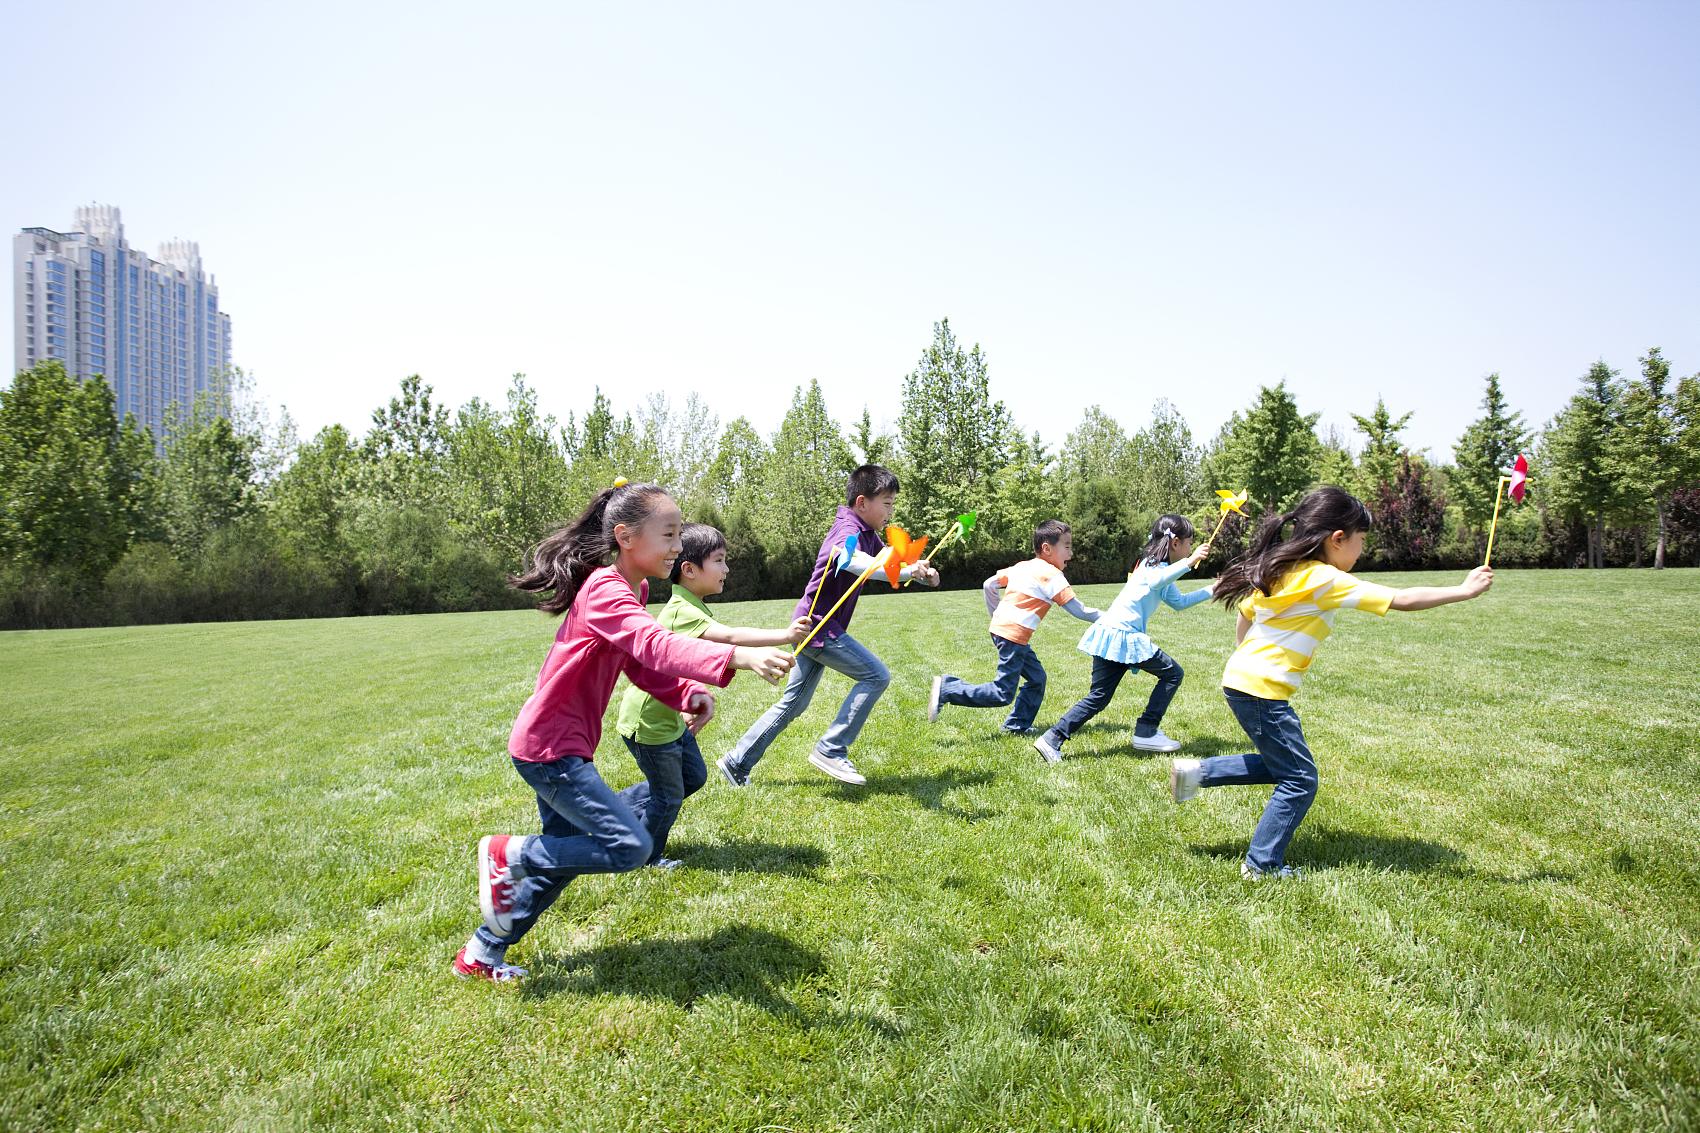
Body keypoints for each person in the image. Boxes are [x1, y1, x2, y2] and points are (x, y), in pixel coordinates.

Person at [454, 481, 794, 982]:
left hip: (559, 744)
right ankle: (509, 853)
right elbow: (655, 643)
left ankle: (481, 954)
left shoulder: (629, 589)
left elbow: (638, 661)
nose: (678, 547)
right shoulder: (604, 589)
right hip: (550, 748)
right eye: (670, 535)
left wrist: (682, 694)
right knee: (629, 846)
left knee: (564, 856)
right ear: (625, 536)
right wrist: (737, 656)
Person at [1171, 486, 1493, 881]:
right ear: (1337, 539)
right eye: (1361, 541)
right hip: (1262, 690)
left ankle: (1198, 772)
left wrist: (1244, 654)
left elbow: (1246, 612)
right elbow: (1403, 599)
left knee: (1284, 765)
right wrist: (1463, 591)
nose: (1362, 550)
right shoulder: (1325, 578)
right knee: (1300, 778)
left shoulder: (1282, 568)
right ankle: (1261, 864)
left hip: (1243, 681)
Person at [718, 464, 939, 789]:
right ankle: (831, 749)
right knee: (876, 675)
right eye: (887, 503)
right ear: (862, 502)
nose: (891, 511)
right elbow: (851, 561)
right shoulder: (846, 531)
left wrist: (920, 572)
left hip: (815, 625)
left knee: (794, 703)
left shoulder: (867, 534)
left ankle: (737, 762)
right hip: (817, 627)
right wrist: (905, 572)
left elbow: (889, 564)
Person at [615, 523, 810, 867]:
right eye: (719, 560)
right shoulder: (681, 611)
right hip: (650, 724)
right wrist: (784, 634)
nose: (727, 569)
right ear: (689, 570)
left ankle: (613, 812)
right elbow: (730, 637)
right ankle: (645, 855)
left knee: (693, 777)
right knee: (668, 796)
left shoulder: (691, 606)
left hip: (670, 716)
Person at [1032, 514, 1212, 763]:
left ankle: (1052, 738)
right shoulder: (1152, 566)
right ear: (1175, 543)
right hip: (1122, 635)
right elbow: (1159, 579)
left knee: (1099, 697)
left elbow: (1179, 603)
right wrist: (1190, 562)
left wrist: (1214, 588)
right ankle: (1147, 731)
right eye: (1189, 543)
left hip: (1114, 633)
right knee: (1173, 673)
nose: (1190, 548)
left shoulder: (1158, 569)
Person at [927, 520, 1100, 735]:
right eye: (1067, 546)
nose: (1071, 553)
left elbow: (989, 584)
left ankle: (1016, 726)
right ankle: (949, 688)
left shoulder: (1023, 566)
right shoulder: (1052, 575)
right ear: (1047, 548)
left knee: (1037, 679)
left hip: (1005, 631)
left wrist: (997, 615)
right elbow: (1079, 610)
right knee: (1002, 693)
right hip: (1013, 635)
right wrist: (1107, 618)